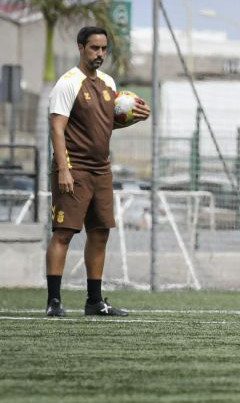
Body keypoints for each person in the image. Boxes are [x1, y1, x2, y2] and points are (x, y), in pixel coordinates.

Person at [46, 26, 151, 317]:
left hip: (102, 170)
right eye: (94, 48)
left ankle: (95, 301)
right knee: (64, 233)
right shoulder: (68, 83)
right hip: (74, 169)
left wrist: (131, 119)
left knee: (100, 232)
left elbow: (105, 124)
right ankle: (54, 302)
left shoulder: (107, 83)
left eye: (104, 49)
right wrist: (64, 170)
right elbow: (57, 127)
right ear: (81, 48)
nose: (100, 54)